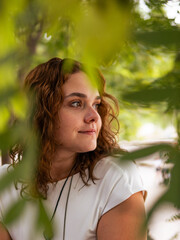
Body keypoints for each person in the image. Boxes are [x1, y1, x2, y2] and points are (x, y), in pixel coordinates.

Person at [0, 57, 147, 240]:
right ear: (40, 112)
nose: (94, 116)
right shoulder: (4, 184)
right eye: (76, 103)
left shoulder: (115, 177)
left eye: (96, 104)